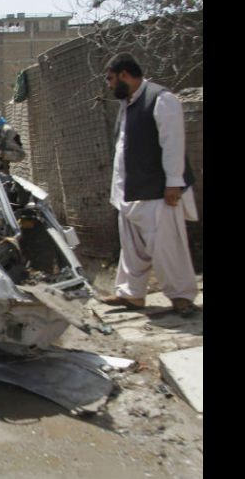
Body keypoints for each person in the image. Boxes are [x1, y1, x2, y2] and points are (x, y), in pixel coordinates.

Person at [99, 52, 198, 316]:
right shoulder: (127, 103)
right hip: (128, 191)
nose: (109, 85)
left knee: (167, 247)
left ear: (124, 75)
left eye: (110, 79)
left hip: (157, 191)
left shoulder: (161, 99)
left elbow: (173, 143)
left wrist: (173, 183)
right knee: (132, 249)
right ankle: (131, 295)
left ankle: (181, 296)